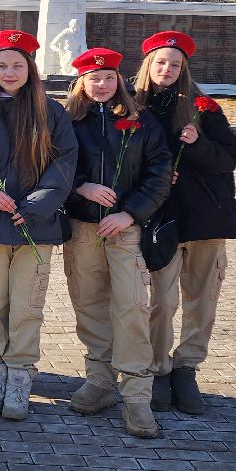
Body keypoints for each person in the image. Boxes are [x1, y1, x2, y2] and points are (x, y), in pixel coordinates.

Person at [0, 30, 76, 421]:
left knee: (27, 306)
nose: (9, 72)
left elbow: (64, 165)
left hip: (35, 229)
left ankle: (20, 377)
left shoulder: (52, 112)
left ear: (30, 69)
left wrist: (36, 205)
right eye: (2, 65)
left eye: (17, 65)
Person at [60, 47, 172, 437]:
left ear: (119, 80)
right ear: (81, 83)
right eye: (94, 79)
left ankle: (138, 395)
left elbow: (160, 171)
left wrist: (131, 213)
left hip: (125, 228)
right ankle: (100, 381)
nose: (102, 84)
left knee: (130, 307)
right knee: (88, 304)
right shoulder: (67, 120)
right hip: (82, 228)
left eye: (108, 77)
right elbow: (51, 167)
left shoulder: (143, 120)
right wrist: (80, 189)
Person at [133, 30, 236, 416]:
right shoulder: (133, 106)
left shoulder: (203, 107)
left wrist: (198, 144)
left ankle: (187, 368)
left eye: (175, 64)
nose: (167, 69)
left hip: (205, 219)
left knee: (202, 301)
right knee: (161, 301)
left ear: (184, 69)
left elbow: (228, 158)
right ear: (148, 64)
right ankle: (158, 368)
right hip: (161, 220)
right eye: (161, 62)